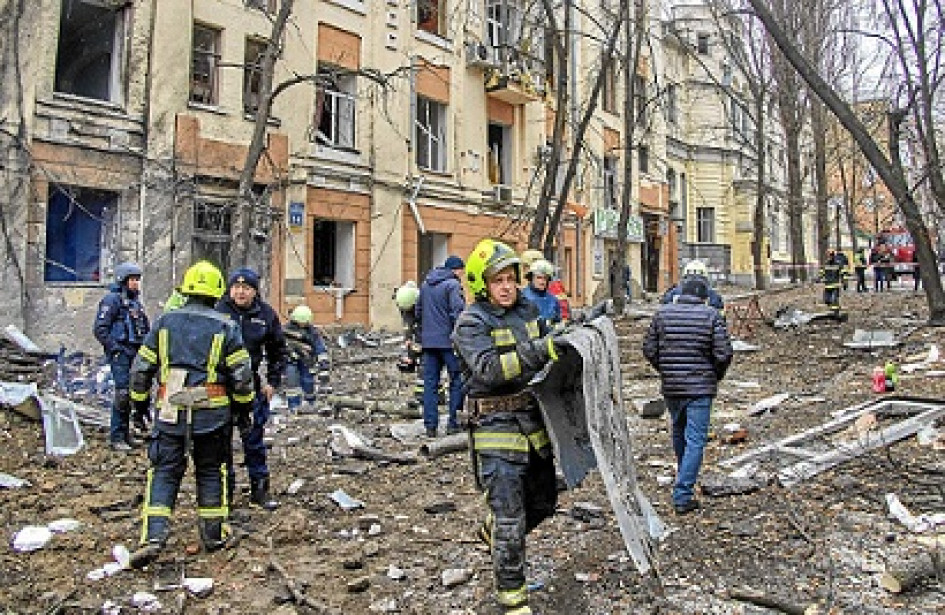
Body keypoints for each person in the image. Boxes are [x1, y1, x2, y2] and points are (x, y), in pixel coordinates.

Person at [453, 239, 565, 615]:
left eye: (510, 278)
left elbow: (551, 336)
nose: (506, 286)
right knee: (510, 518)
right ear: (482, 284)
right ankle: (512, 601)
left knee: (544, 502)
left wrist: (572, 331)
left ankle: (496, 534)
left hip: (532, 423)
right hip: (494, 426)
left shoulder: (529, 309)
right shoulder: (471, 322)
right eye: (497, 280)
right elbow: (490, 370)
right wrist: (542, 350)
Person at [127, 261, 254, 568]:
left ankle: (153, 537)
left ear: (185, 290)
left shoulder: (164, 322)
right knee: (211, 470)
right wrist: (243, 410)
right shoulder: (227, 327)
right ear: (217, 293)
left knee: (163, 472)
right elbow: (242, 378)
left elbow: (141, 370)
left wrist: (139, 405)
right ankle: (213, 534)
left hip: (170, 413)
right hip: (212, 417)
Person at [642, 277, 732, 515]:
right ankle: (682, 494)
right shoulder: (711, 316)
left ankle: (684, 476)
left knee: (679, 431)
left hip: (672, 387)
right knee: (696, 440)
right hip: (700, 387)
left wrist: (666, 370)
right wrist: (714, 375)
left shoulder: (662, 315)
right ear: (704, 297)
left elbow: (649, 349)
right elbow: (724, 353)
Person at [216, 267, 287, 510]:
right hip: (220, 386)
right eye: (236, 287)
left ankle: (260, 490)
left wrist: (272, 382)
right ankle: (224, 492)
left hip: (251, 386)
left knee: (254, 439)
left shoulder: (265, 314)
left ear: (255, 291)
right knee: (220, 441)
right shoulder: (218, 310)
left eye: (246, 288)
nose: (240, 292)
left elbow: (278, 350)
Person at [94, 261, 151, 451]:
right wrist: (115, 349)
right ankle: (117, 437)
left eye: (137, 280)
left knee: (133, 394)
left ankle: (126, 434)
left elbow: (144, 328)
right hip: (121, 353)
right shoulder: (112, 300)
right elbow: (100, 329)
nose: (136, 284)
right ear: (123, 280)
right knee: (122, 393)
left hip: (135, 352)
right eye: (132, 280)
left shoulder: (135, 303)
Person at [416, 255, 467, 437]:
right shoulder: (452, 285)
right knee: (457, 381)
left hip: (429, 343)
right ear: (456, 270)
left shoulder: (425, 284)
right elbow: (458, 313)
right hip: (449, 342)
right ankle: (454, 423)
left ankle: (430, 426)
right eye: (462, 270)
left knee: (430, 384)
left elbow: (418, 311)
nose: (462, 274)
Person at [283, 305, 330, 413]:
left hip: (306, 360)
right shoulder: (286, 330)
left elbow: (319, 347)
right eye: (302, 322)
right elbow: (280, 346)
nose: (304, 324)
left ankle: (311, 402)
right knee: (292, 382)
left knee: (308, 381)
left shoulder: (312, 332)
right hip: (291, 360)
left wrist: (324, 364)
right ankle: (294, 405)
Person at [394, 281, 424, 406]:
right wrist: (407, 343)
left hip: (428, 338)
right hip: (420, 336)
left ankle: (427, 395)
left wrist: (413, 354)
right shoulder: (404, 302)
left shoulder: (423, 307)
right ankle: (422, 393)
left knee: (426, 365)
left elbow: (419, 330)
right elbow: (407, 326)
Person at [520, 258, 561, 328]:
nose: (542, 282)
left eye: (545, 278)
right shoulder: (521, 298)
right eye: (539, 278)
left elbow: (557, 322)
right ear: (531, 278)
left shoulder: (553, 300)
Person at [821, 250, 843, 319]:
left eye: (831, 255)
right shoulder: (826, 264)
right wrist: (819, 278)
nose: (829, 257)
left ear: (833, 256)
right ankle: (834, 311)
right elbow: (822, 272)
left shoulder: (838, 264)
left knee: (834, 300)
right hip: (827, 286)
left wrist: (844, 281)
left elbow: (842, 272)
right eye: (828, 256)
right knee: (826, 300)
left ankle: (837, 314)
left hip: (835, 286)